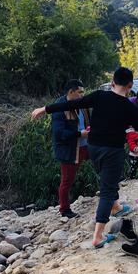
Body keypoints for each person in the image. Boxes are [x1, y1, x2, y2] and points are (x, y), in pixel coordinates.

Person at [32, 67, 138, 248]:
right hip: (113, 150)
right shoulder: (129, 107)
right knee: (107, 190)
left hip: (94, 148)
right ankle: (98, 236)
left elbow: (72, 104)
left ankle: (116, 207)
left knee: (108, 178)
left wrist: (45, 109)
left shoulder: (99, 96)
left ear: (112, 83)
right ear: (130, 85)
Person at [52, 79, 91, 218]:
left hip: (85, 145)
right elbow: (58, 133)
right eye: (79, 92)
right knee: (67, 180)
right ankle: (64, 209)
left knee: (102, 165)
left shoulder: (82, 105)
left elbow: (87, 122)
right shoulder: (60, 107)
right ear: (71, 92)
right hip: (69, 149)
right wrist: (79, 134)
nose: (82, 95)